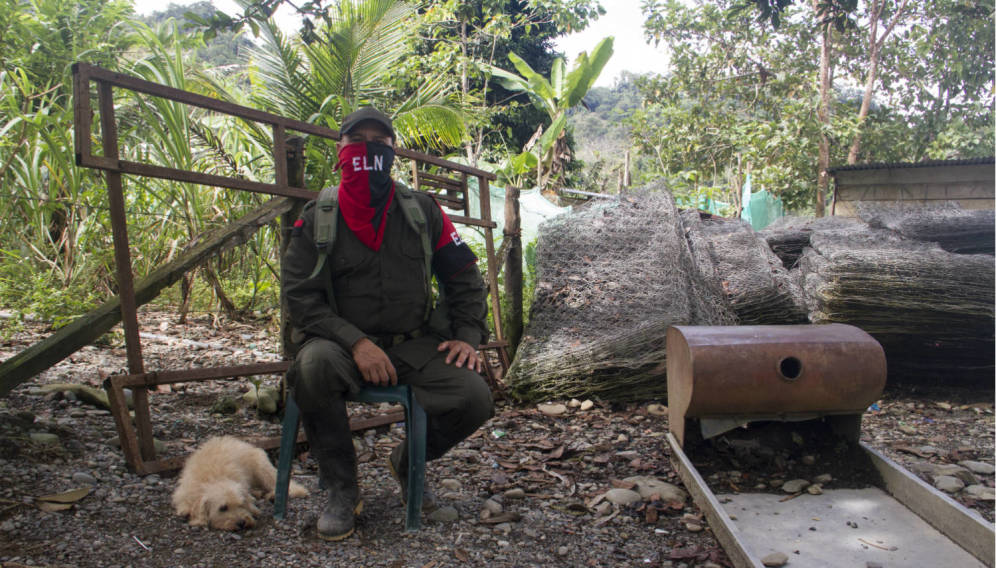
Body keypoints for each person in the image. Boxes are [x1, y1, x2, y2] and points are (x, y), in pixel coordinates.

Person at [281, 107, 493, 541]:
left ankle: (408, 463)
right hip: (340, 350)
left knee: (474, 396)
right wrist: (356, 343)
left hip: (414, 347)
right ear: (340, 150)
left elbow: (464, 278)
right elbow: (299, 296)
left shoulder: (422, 211)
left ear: (393, 152)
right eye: (358, 141)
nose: (369, 150)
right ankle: (342, 489)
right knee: (311, 367)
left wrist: (467, 336)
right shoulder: (318, 215)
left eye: (380, 142)